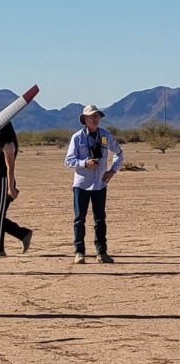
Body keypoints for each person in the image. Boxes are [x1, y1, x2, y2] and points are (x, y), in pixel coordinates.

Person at [64, 105, 123, 264]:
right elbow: (68, 161)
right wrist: (85, 163)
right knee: (79, 219)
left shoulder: (105, 135)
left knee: (100, 220)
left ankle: (101, 253)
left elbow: (119, 153)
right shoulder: (77, 138)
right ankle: (79, 252)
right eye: (92, 117)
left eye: (97, 116)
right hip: (81, 185)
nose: (95, 119)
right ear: (85, 119)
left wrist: (112, 171)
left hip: (100, 184)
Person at [0, 122, 33, 256]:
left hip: (4, 182)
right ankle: (22, 233)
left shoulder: (8, 145)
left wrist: (11, 188)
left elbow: (9, 168)